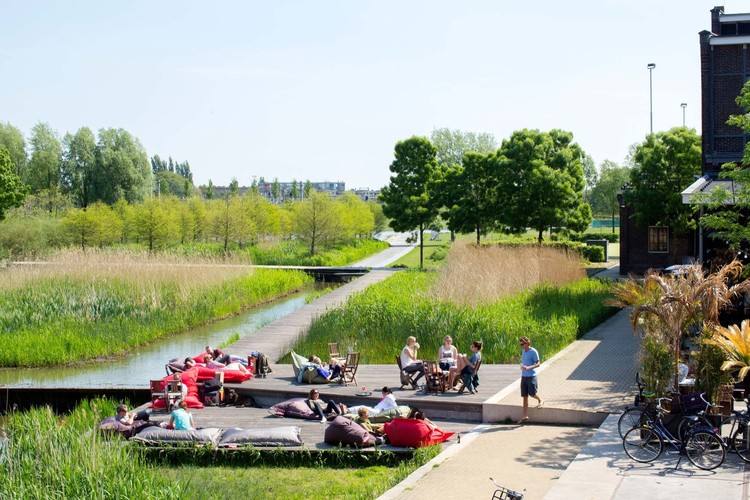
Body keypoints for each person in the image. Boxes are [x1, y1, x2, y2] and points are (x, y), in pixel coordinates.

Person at [518, 336, 543, 424]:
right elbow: (524, 362)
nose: (522, 345)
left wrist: (529, 367)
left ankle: (540, 400)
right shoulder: (523, 351)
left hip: (531, 376)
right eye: (521, 344)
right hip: (524, 376)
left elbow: (538, 363)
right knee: (524, 396)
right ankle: (525, 416)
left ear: (528, 342)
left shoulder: (533, 351)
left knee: (532, 394)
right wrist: (522, 366)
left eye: (523, 343)